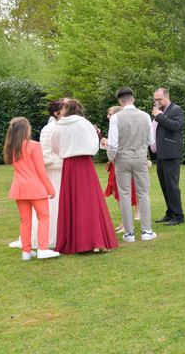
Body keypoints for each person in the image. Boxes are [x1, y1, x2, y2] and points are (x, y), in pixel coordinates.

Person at [51, 99, 118, 254]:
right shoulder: (85, 123)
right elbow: (94, 144)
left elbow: (54, 146)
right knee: (90, 201)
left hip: (68, 164)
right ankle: (97, 241)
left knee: (73, 201)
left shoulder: (59, 125)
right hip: (85, 164)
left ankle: (78, 241)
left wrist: (65, 152)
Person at [9, 100, 63, 250]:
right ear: (26, 130)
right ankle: (43, 249)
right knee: (44, 217)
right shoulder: (34, 145)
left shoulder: (12, 148)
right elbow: (40, 169)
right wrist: (50, 188)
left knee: (25, 221)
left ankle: (26, 251)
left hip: (19, 188)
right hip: (35, 188)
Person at [105, 87, 156, 243]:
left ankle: (129, 234)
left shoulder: (116, 118)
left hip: (122, 158)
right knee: (143, 193)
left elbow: (113, 144)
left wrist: (112, 158)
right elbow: (151, 141)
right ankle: (146, 231)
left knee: (125, 194)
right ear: (133, 98)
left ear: (120, 100)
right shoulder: (145, 116)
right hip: (140, 157)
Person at [101, 106, 139, 233]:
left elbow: (119, 147)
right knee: (117, 194)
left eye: (110, 113)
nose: (108, 116)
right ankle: (124, 222)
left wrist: (108, 144)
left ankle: (128, 224)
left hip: (120, 163)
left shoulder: (120, 127)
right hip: (115, 163)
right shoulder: (116, 127)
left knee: (121, 193)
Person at [151, 87, 185, 226]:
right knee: (164, 185)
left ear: (167, 96)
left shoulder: (176, 110)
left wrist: (159, 116)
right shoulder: (159, 111)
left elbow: (175, 126)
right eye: (155, 99)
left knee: (172, 185)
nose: (157, 102)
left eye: (159, 99)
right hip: (161, 154)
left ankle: (178, 216)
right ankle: (170, 212)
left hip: (171, 154)